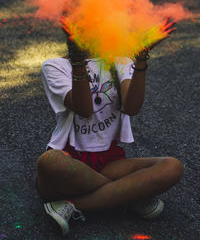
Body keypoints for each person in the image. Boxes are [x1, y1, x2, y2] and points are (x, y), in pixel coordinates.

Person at [35, 18, 184, 236]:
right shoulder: (54, 66)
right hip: (70, 160)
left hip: (110, 161)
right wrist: (78, 61)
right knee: (49, 162)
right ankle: (129, 195)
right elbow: (84, 109)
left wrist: (140, 58)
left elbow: (132, 108)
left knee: (172, 167)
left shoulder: (120, 62)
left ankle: (74, 204)